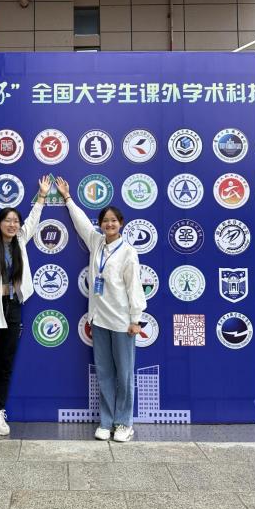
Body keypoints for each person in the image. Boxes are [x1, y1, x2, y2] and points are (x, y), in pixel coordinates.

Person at [56, 177, 147, 442]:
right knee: (105, 373)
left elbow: (134, 287)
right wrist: (67, 198)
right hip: (99, 320)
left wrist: (136, 319)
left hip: (122, 322)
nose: (109, 224)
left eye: (113, 221)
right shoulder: (97, 243)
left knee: (124, 374)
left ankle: (124, 422)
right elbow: (81, 223)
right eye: (105, 221)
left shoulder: (128, 252)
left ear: (121, 224)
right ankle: (106, 421)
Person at [0, 176, 51, 437]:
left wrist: (42, 196)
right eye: (8, 220)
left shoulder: (19, 241)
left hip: (13, 306)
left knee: (6, 362)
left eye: (15, 221)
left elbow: (33, 221)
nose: (13, 224)